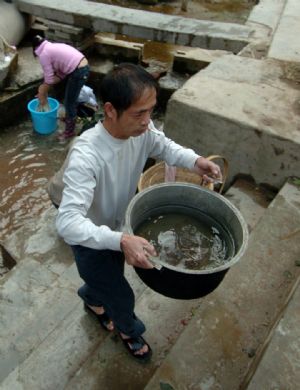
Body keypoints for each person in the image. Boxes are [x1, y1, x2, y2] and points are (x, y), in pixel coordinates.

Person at [56, 63, 221, 362]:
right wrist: (120, 240)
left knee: (107, 281)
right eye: (139, 113)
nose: (147, 122)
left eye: (151, 111)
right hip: (91, 242)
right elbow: (67, 222)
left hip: (119, 228)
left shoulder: (141, 131)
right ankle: (129, 330)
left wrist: (196, 162)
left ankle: (92, 299)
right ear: (109, 110)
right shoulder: (86, 155)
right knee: (121, 295)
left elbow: (164, 146)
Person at [32, 35, 90, 141]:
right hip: (82, 67)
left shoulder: (43, 54)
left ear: (35, 49)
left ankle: (69, 131)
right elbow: (61, 72)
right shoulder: (52, 47)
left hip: (78, 71)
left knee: (69, 102)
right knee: (70, 98)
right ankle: (70, 117)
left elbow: (49, 79)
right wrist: (43, 90)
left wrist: (42, 90)